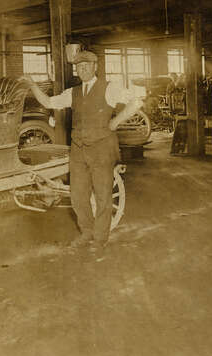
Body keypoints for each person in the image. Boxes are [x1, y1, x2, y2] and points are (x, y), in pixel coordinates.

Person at [23, 50, 141, 250]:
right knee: (78, 196)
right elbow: (49, 102)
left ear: (95, 67)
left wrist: (115, 122)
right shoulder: (73, 92)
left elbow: (137, 101)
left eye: (86, 65)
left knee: (103, 195)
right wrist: (32, 85)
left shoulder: (109, 88)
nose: (83, 69)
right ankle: (87, 232)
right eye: (79, 67)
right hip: (78, 150)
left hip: (102, 149)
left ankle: (100, 238)